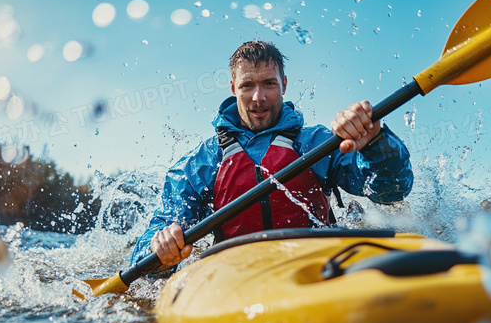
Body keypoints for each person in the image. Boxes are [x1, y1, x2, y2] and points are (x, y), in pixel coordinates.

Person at [130, 41, 414, 270]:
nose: (258, 98)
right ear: (233, 88)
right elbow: (156, 235)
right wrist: (161, 248)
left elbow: (391, 191)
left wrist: (376, 141)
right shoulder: (202, 162)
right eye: (247, 86)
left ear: (284, 85)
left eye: (269, 83)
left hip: (317, 263)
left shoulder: (316, 143)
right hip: (236, 272)